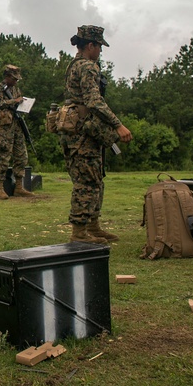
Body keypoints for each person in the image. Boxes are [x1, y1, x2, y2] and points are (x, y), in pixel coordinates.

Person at [61, 25, 132, 243]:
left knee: (95, 178)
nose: (100, 51)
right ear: (90, 45)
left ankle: (92, 226)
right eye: (99, 46)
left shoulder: (74, 65)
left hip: (81, 133)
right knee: (87, 181)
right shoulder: (88, 67)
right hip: (83, 135)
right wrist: (118, 125)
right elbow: (93, 101)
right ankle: (80, 232)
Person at [0, 64, 34, 199]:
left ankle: (19, 187)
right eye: (14, 79)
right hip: (4, 128)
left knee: (21, 156)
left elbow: (18, 101)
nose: (16, 81)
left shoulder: (15, 89)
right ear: (7, 77)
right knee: (3, 157)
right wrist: (13, 101)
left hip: (16, 126)